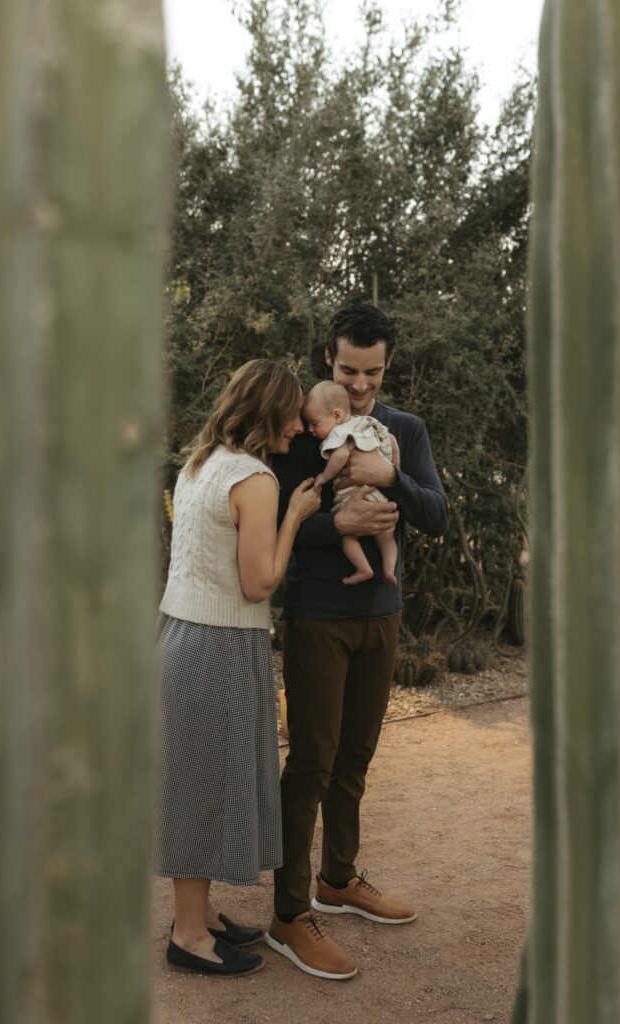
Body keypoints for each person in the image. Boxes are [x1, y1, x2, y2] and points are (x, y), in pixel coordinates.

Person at [266, 303, 449, 981]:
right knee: (310, 762)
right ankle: (288, 913)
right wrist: (336, 516)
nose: (361, 382)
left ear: (387, 365)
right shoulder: (301, 431)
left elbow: (435, 514)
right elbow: (279, 518)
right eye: (349, 369)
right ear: (327, 359)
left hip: (383, 612)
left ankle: (337, 879)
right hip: (316, 613)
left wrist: (390, 479)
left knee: (356, 757)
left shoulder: (403, 429)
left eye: (372, 371)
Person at [154, 359, 320, 978]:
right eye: (294, 414)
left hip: (183, 637)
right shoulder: (256, 479)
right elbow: (259, 583)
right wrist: (296, 520)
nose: (301, 426)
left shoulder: (199, 463)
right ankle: (189, 935)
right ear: (267, 411)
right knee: (205, 786)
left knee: (200, 779)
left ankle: (200, 916)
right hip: (220, 647)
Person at [304, 379, 400, 585]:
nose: (311, 430)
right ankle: (390, 569)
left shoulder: (339, 432)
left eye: (314, 423)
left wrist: (325, 476)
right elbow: (391, 442)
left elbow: (341, 455)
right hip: (379, 495)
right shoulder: (365, 423)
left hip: (352, 497)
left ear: (336, 415)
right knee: (386, 537)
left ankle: (364, 569)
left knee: (347, 538)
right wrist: (395, 473)